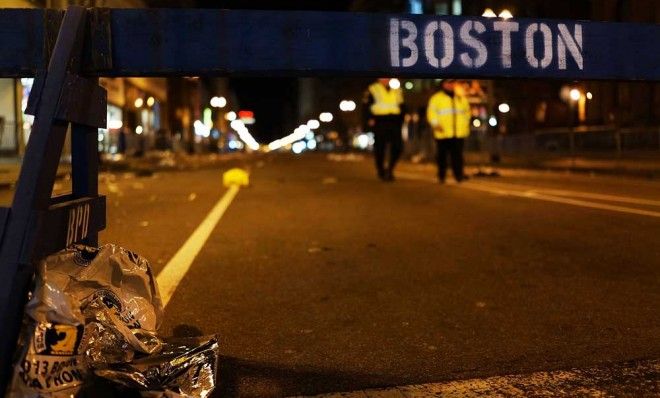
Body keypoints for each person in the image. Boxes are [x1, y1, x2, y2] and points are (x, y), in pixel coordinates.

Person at [427, 79, 471, 183]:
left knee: (458, 156)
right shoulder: (436, 98)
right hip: (443, 133)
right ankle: (441, 176)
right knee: (442, 156)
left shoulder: (461, 98)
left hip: (458, 133)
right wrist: (435, 124)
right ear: (443, 84)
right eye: (448, 83)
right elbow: (431, 113)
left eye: (452, 83)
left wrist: (464, 125)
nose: (450, 85)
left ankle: (459, 176)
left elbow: (467, 113)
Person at [363, 78, 405, 181]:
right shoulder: (372, 88)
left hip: (394, 121)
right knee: (380, 148)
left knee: (398, 147)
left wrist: (401, 118)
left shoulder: (396, 88)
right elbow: (365, 106)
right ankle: (381, 171)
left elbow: (402, 105)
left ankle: (390, 169)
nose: (386, 79)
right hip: (379, 121)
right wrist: (369, 119)